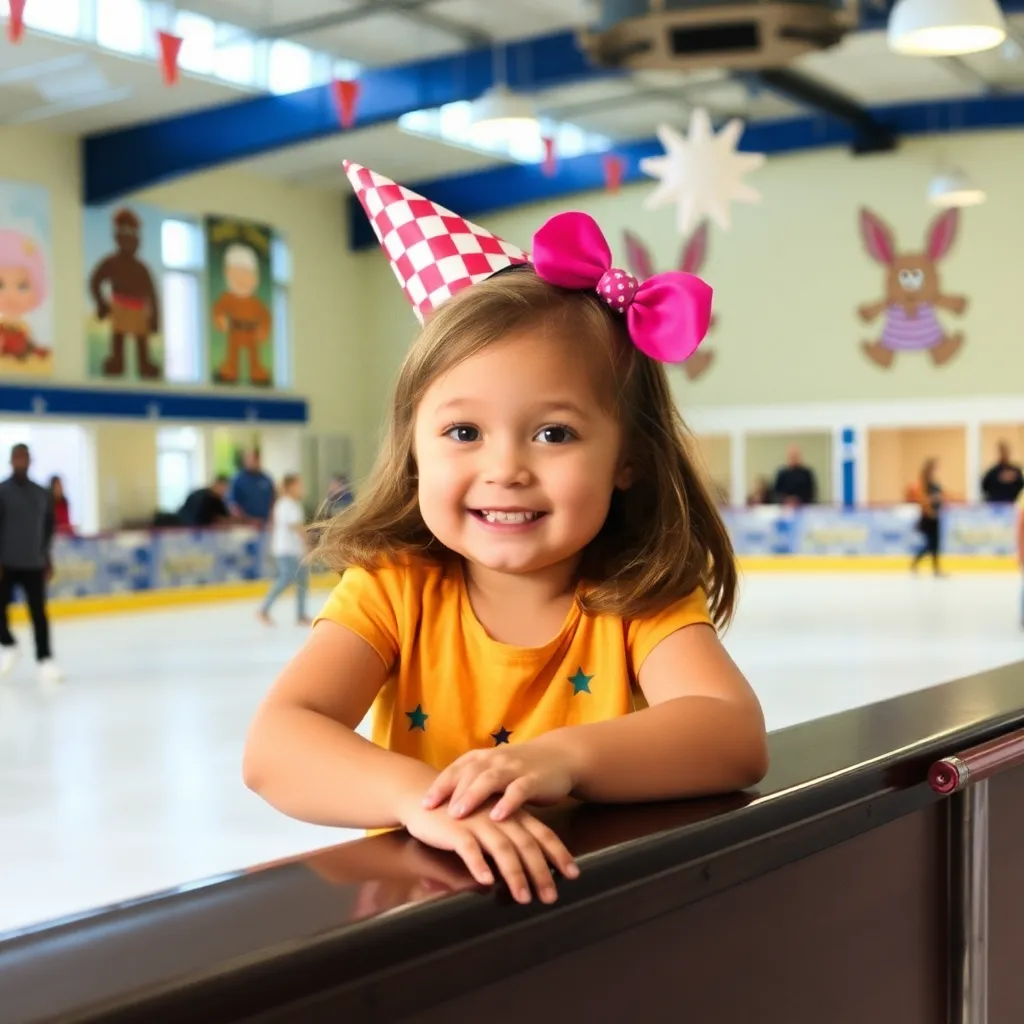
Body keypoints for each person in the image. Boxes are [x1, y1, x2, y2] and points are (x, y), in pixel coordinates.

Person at [243, 165, 768, 907]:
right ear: (414, 448)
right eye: (463, 431)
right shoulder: (394, 589)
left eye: (554, 433)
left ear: (628, 459)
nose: (505, 469)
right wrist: (423, 800)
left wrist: (557, 759)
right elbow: (275, 746)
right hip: (424, 926)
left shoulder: (635, 597)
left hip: (593, 918)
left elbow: (732, 733)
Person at [0, 444, 62, 684]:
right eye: (16, 458)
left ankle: (45, 659)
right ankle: (8, 643)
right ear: (10, 461)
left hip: (34, 563)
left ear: (30, 460)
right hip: (6, 563)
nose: (20, 462)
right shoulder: (2, 492)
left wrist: (46, 556)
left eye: (24, 458)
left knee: (38, 613)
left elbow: (48, 528)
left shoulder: (41, 494)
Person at [257, 474, 310, 627]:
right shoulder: (285, 504)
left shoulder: (294, 504)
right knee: (286, 578)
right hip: (286, 549)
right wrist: (307, 540)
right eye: (299, 485)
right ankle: (263, 609)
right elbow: (294, 526)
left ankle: (301, 615)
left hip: (296, 549)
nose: (302, 489)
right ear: (291, 486)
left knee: (302, 582)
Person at [911, 457, 944, 577]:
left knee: (935, 544)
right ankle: (916, 563)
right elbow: (922, 499)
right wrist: (929, 509)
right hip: (929, 517)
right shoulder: (924, 482)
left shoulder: (934, 482)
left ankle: (935, 568)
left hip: (936, 515)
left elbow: (941, 495)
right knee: (931, 544)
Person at [227, 450, 275, 525]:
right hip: (245, 524)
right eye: (248, 459)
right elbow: (233, 505)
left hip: (264, 523)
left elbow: (272, 501)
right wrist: (248, 520)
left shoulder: (266, 479)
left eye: (254, 460)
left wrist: (271, 519)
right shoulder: (238, 479)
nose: (252, 462)